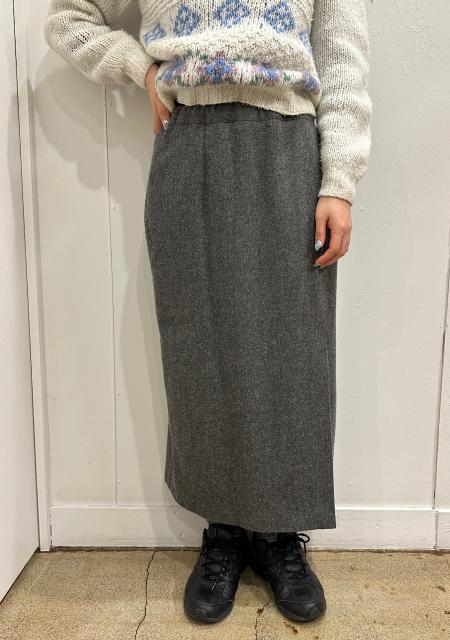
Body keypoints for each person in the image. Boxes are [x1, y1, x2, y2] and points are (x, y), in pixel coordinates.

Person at [44, 0, 372, 625]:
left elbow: (342, 58)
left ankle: (278, 535)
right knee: (202, 349)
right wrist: (140, 67)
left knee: (292, 354)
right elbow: (69, 18)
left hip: (288, 149)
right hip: (190, 141)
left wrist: (340, 181)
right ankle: (222, 531)